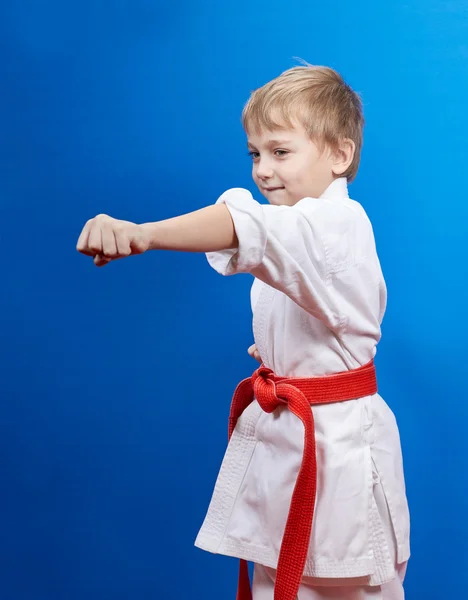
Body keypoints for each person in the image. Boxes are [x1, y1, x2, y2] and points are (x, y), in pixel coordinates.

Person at [77, 63, 410, 600]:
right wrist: (289, 353)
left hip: (336, 452)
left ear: (339, 156)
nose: (262, 169)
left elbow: (245, 225)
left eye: (281, 152)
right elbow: (313, 302)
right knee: (279, 576)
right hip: (292, 443)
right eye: (255, 153)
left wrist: (145, 234)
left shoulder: (334, 224)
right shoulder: (299, 228)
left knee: (338, 583)